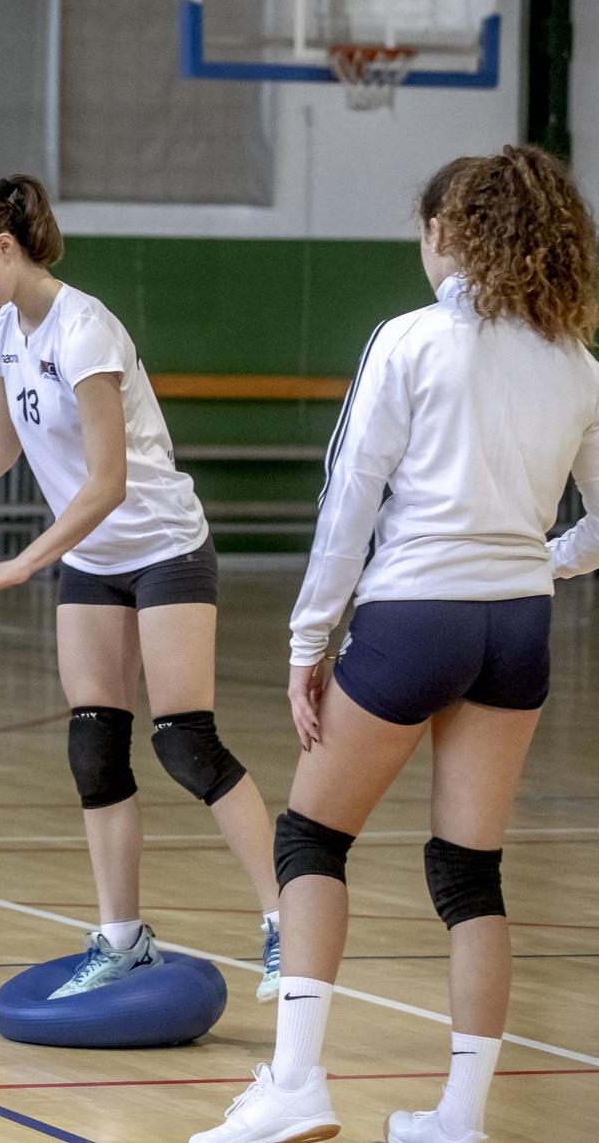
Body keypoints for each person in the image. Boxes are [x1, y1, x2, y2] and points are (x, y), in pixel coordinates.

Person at [194, 145, 599, 1143]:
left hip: (410, 616)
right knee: (469, 873)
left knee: (308, 838)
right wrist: (530, 562)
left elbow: (349, 501)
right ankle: (455, 1118)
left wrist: (304, 640)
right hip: (517, 628)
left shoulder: (407, 341)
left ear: (445, 234)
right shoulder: (575, 361)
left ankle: (293, 1089)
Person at [0, 174, 282, 1001]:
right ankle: (122, 936)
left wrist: (27, 562)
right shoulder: (5, 334)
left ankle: (288, 918)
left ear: (5, 247)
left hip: (163, 545)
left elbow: (105, 484)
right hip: (93, 559)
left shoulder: (86, 328)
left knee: (186, 741)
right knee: (95, 745)